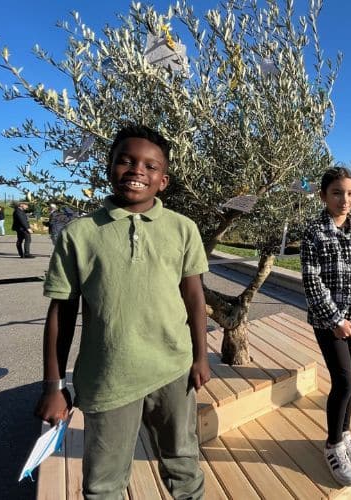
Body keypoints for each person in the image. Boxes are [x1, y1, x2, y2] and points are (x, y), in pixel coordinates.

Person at [35, 125, 210, 499]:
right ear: (109, 168)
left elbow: (194, 298)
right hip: (108, 379)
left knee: (183, 463)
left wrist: (201, 357)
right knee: (103, 482)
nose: (137, 171)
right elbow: (61, 314)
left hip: (173, 371)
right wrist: (53, 385)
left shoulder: (183, 229)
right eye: (125, 161)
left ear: (163, 180)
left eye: (150, 166)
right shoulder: (78, 235)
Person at [300, 166, 351, 487]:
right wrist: (336, 321)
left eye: (349, 193)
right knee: (343, 381)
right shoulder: (314, 233)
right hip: (328, 323)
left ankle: (345, 435)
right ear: (323, 196)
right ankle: (333, 445)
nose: (344, 200)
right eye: (336, 193)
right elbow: (311, 280)